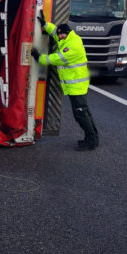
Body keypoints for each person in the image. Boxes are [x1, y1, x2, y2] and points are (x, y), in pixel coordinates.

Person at [31, 11, 100, 150]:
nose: (60, 37)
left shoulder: (72, 46)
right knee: (84, 112)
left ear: (68, 33)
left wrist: (40, 58)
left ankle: (91, 141)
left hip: (77, 87)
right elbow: (56, 32)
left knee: (80, 114)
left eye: (63, 34)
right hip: (77, 85)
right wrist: (45, 25)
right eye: (60, 34)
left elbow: (56, 58)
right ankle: (92, 138)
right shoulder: (69, 37)